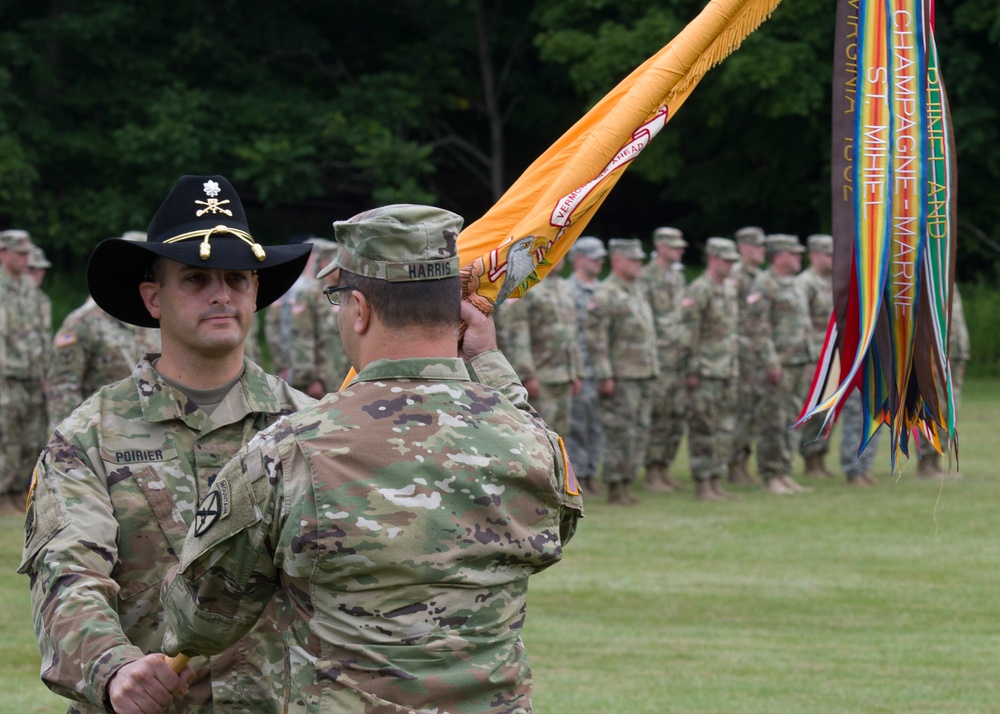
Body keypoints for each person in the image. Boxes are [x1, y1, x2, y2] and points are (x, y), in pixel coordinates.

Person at [161, 204, 584, 714]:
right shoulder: (527, 442)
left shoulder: (290, 450)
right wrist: (490, 366)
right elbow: (561, 516)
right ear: (455, 313)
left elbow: (201, 623)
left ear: (359, 308)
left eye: (339, 300)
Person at [19, 175, 315, 714]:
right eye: (196, 279)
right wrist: (114, 667)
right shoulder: (89, 437)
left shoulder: (311, 428)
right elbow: (68, 575)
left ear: (256, 292)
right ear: (153, 299)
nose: (221, 294)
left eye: (236, 278)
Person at [45, 232, 162, 432]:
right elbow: (62, 387)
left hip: (156, 431)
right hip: (102, 433)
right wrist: (70, 441)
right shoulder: (84, 321)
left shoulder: (158, 316)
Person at [585, 238, 658, 505]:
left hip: (643, 373)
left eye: (640, 259)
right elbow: (596, 339)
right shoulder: (605, 294)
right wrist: (604, 374)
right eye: (634, 260)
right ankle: (616, 486)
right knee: (620, 431)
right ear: (617, 261)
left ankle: (627, 481)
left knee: (639, 430)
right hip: (621, 375)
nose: (639, 264)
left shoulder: (637, 290)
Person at [745, 233, 814, 495]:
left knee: (793, 419)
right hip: (778, 366)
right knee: (773, 420)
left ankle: (785, 471)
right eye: (794, 253)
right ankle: (771, 473)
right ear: (780, 256)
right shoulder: (764, 284)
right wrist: (771, 361)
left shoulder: (794, 284)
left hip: (799, 363)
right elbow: (758, 327)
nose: (799, 257)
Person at [679, 238, 741, 501]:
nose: (730, 266)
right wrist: (691, 369)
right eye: (726, 260)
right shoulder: (699, 290)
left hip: (726, 369)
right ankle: (703, 482)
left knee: (724, 429)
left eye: (732, 261)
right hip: (705, 371)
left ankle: (716, 479)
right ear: (713, 259)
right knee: (703, 427)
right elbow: (689, 333)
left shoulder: (728, 289)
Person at [0, 229, 51, 515]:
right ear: (3, 253)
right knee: (6, 435)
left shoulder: (30, 292)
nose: (25, 259)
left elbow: (42, 335)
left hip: (32, 377)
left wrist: (46, 373)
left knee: (31, 436)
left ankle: (21, 491)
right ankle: (4, 493)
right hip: (6, 377)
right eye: (20, 253)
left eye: (27, 253)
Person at [503, 256, 582, 437]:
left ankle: (561, 466)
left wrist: (577, 371)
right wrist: (527, 375)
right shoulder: (527, 286)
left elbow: (572, 332)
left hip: (565, 376)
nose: (560, 257)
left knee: (562, 435)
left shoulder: (564, 287)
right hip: (542, 376)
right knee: (541, 435)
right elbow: (519, 334)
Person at [640, 227, 689, 492]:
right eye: (673, 246)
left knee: (675, 415)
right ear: (660, 247)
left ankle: (664, 466)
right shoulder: (647, 278)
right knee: (659, 414)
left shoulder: (678, 278)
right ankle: (652, 470)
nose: (679, 250)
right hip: (659, 358)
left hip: (677, 357)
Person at [269, 239, 351, 397]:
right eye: (340, 265)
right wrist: (308, 380)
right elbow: (301, 337)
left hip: (339, 378)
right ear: (327, 264)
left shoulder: (342, 293)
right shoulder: (309, 294)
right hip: (320, 383)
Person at [565, 236, 607, 495]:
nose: (600, 262)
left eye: (602, 258)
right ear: (579, 259)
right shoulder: (569, 291)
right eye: (594, 258)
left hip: (601, 368)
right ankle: (578, 474)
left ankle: (592, 471)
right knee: (577, 424)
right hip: (580, 369)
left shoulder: (601, 290)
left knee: (597, 424)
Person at [728, 225, 768, 486]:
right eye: (757, 245)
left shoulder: (758, 276)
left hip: (755, 353)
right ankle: (733, 464)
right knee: (740, 410)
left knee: (753, 410)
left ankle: (743, 461)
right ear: (743, 248)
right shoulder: (736, 275)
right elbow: (731, 316)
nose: (762, 250)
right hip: (740, 354)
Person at [918, 284, 970, 478]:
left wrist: (961, 353)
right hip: (936, 355)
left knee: (950, 409)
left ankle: (937, 462)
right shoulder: (931, 274)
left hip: (955, 353)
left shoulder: (949, 276)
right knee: (934, 407)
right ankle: (926, 463)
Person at [796, 234, 835, 477]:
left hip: (833, 355)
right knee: (813, 409)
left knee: (828, 409)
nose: (834, 258)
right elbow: (801, 323)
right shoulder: (804, 283)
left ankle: (821, 456)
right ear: (815, 255)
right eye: (829, 254)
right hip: (813, 356)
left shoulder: (833, 281)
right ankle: (809, 459)